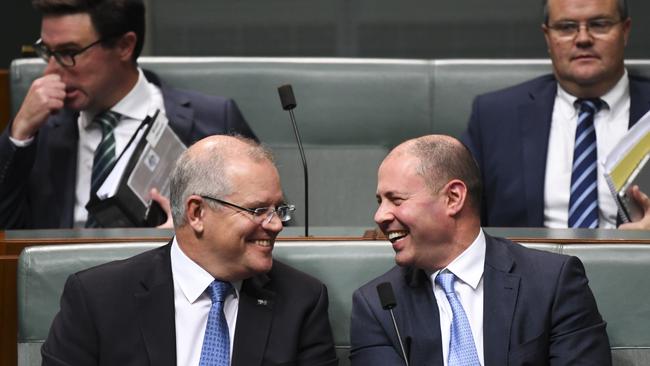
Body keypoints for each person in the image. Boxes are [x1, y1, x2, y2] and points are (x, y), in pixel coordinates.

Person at [41, 135, 338, 365]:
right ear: (196, 213)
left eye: (279, 209)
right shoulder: (97, 298)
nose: (275, 225)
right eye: (258, 210)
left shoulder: (302, 301)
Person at [350, 135, 611, 365]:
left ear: (453, 198)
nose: (380, 215)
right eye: (379, 201)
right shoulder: (379, 305)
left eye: (396, 199)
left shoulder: (552, 283)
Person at [0, 0, 256, 229]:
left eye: (68, 53)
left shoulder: (212, 121)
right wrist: (19, 132)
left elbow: (264, 223)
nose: (51, 71)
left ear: (124, 46)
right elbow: (7, 234)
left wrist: (187, 240)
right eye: (48, 52)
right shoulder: (39, 129)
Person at [461, 0, 650, 229]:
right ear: (547, 36)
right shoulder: (494, 117)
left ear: (625, 31)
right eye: (566, 27)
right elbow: (458, 220)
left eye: (599, 24)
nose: (583, 39)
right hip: (525, 263)